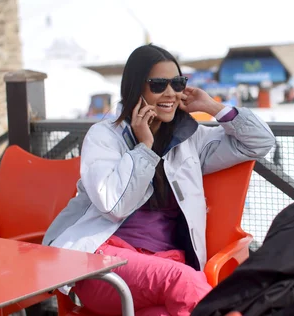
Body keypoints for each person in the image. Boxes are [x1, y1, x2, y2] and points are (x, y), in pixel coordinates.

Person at [42, 43, 276, 316]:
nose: (170, 93)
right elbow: (113, 205)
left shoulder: (190, 138)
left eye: (177, 84)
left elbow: (260, 142)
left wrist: (213, 107)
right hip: (102, 265)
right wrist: (144, 148)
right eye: (158, 85)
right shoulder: (104, 136)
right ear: (135, 88)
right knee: (181, 280)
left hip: (162, 264)